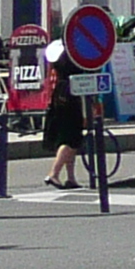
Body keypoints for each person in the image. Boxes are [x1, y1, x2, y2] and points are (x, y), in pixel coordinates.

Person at [42, 40, 88, 190]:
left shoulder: (56, 60)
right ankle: (54, 174)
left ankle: (71, 178)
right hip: (72, 96)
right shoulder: (74, 63)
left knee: (68, 138)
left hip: (58, 97)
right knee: (71, 139)